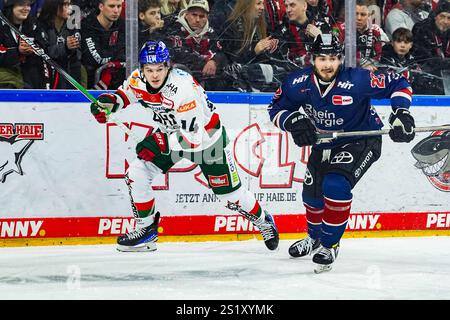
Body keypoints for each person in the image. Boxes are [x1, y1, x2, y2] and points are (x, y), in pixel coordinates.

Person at [90, 40, 279, 252]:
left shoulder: (183, 90)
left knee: (230, 196)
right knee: (137, 172)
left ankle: (263, 220)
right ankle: (146, 230)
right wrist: (109, 103)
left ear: (168, 66)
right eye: (149, 70)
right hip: (172, 133)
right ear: (142, 69)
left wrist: (159, 144)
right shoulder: (137, 78)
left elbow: (194, 139)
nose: (154, 75)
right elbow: (126, 95)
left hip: (207, 139)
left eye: (159, 69)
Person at [268, 33, 414, 273]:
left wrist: (401, 113)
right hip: (324, 142)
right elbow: (275, 108)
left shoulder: (358, 79)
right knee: (312, 197)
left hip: (361, 139)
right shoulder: (297, 83)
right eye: (322, 58)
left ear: (341, 59)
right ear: (312, 58)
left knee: (335, 185)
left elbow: (399, 82)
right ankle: (314, 238)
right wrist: (293, 120)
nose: (328, 64)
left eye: (334, 58)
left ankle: (330, 244)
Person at [164, 0, 229, 90]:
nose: (197, 20)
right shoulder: (173, 29)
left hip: (207, 82)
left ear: (207, 17)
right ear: (186, 14)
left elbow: (222, 54)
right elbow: (179, 55)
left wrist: (214, 61)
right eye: (194, 15)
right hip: (179, 82)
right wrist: (205, 61)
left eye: (202, 16)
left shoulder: (212, 33)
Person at [0, 0, 50, 89]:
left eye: (28, 5)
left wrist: (33, 50)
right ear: (10, 6)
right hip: (6, 80)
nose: (26, 8)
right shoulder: (1, 25)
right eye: (21, 4)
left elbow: (44, 49)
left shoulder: (34, 25)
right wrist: (17, 51)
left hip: (29, 77)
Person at [81, 0, 125, 89]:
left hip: (116, 83)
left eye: (119, 6)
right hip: (91, 85)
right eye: (112, 6)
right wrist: (116, 59)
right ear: (101, 7)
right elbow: (98, 58)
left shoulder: (122, 25)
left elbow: (127, 53)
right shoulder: (87, 26)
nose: (116, 10)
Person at [38, 0, 82, 89]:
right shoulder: (41, 26)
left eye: (70, 4)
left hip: (70, 73)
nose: (70, 7)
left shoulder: (72, 25)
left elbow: (79, 53)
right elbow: (44, 53)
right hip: (48, 75)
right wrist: (65, 47)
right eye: (65, 4)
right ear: (54, 6)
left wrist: (72, 50)